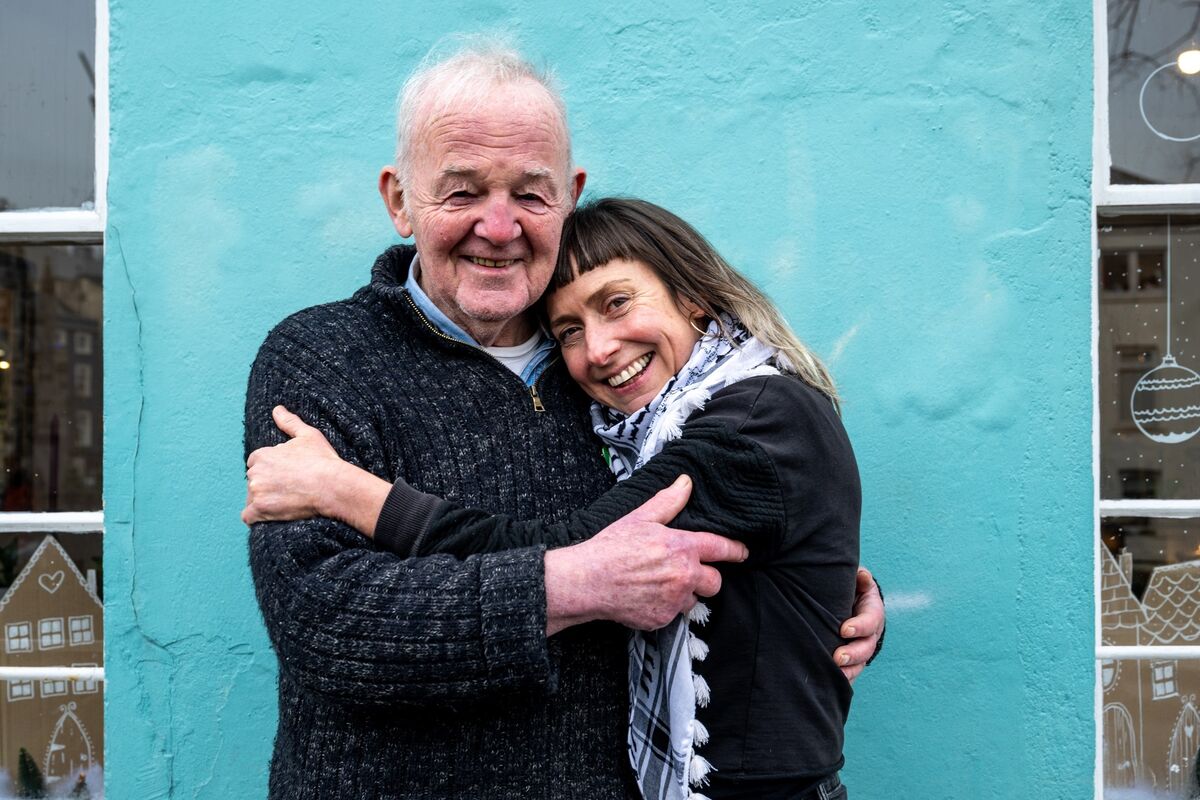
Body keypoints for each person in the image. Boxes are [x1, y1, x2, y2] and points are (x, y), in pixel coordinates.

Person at [242, 40, 883, 800]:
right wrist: (569, 586)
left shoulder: (616, 378)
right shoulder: (319, 359)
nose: (500, 225)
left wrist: (813, 603)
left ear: (570, 195)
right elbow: (329, 625)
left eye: (531, 194)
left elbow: (725, 528)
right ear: (398, 199)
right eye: (462, 191)